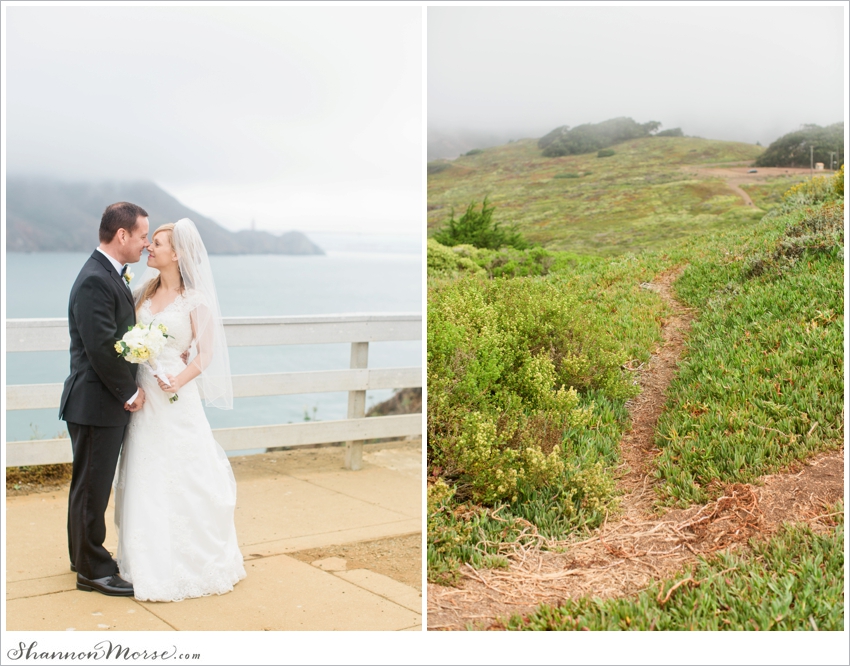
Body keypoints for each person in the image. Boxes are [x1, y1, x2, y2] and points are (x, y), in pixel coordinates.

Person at [113, 218, 246, 602]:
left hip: (173, 397)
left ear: (178, 253)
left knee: (184, 473)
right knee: (145, 472)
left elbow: (205, 354)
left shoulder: (196, 300)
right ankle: (144, 559)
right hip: (143, 396)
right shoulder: (142, 291)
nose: (149, 248)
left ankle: (192, 561)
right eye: (149, 241)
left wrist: (179, 379)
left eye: (157, 243)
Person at [60, 202, 150, 597]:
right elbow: (100, 346)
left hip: (96, 401)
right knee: (93, 487)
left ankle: (82, 556)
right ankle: (93, 571)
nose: (146, 244)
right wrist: (130, 391)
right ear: (122, 235)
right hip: (96, 402)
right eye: (143, 236)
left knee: (87, 485)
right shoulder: (96, 279)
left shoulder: (107, 274)